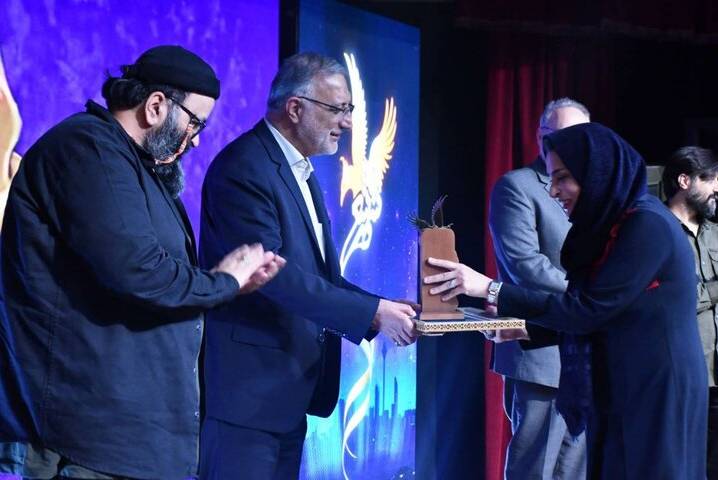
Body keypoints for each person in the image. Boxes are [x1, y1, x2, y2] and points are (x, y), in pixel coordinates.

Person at [0, 45, 285, 480]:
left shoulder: (136, 166)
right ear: (155, 106)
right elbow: (138, 271)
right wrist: (223, 282)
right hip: (82, 444)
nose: (196, 139)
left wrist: (226, 283)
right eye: (195, 123)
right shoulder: (87, 148)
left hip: (128, 446)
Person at [425, 122, 707, 479]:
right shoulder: (616, 223)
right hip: (626, 384)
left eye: (562, 178)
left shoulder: (646, 225)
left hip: (655, 389)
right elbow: (611, 313)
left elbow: (590, 310)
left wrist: (491, 289)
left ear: (597, 172)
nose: (553, 190)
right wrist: (528, 330)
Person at [198, 52, 418, 479]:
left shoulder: (298, 169)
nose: (347, 122)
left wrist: (384, 307)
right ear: (295, 108)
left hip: (285, 396)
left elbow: (319, 276)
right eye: (338, 109)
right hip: (247, 399)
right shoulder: (244, 167)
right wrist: (373, 313)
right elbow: (271, 275)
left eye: (349, 109)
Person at [488, 98, 588, 479]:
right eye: (558, 135)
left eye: (578, 136)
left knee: (576, 471)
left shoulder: (589, 192)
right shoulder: (518, 186)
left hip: (585, 352)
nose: (568, 144)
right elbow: (525, 267)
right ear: (540, 137)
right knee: (536, 470)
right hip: (541, 359)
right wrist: (591, 296)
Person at [663, 146, 718, 479]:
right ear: (685, 181)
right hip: (682, 375)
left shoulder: (715, 232)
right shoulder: (656, 232)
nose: (717, 188)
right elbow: (671, 300)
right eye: (711, 179)